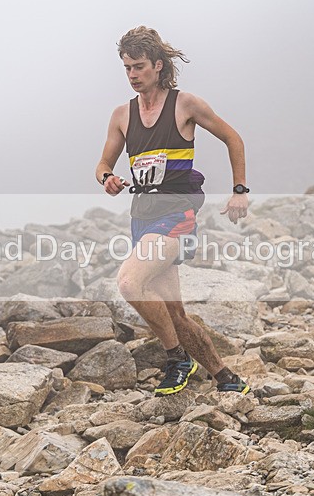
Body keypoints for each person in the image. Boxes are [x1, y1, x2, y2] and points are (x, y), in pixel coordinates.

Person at [95, 26, 251, 396]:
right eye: (127, 68)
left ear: (158, 66)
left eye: (139, 66)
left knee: (130, 283)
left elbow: (234, 138)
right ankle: (227, 378)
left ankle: (177, 359)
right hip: (142, 216)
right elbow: (103, 163)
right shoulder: (122, 114)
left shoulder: (185, 105)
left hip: (176, 214)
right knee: (175, 316)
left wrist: (239, 191)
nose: (132, 75)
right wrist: (108, 179)